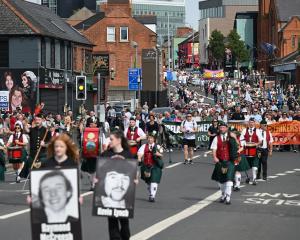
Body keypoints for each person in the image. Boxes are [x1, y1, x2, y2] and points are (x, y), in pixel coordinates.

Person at [101, 129, 137, 240]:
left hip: (124, 195)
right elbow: (100, 172)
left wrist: (135, 179)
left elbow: (133, 171)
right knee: (112, 224)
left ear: (119, 140)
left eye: (111, 139)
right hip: (110, 195)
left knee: (124, 224)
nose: (109, 141)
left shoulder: (128, 155)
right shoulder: (106, 155)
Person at [210, 122, 235, 204]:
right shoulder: (216, 138)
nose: (222, 129)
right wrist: (214, 157)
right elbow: (214, 149)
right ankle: (223, 194)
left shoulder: (231, 137)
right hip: (220, 161)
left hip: (230, 161)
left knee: (229, 180)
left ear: (226, 128)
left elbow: (237, 146)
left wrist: (234, 138)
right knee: (220, 181)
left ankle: (228, 197)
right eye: (220, 128)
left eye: (223, 127)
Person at [138, 133, 164, 202]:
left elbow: (161, 155)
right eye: (149, 138)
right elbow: (140, 154)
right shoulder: (144, 146)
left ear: (154, 139)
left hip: (156, 166)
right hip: (146, 166)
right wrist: (139, 158)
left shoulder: (158, 146)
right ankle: (150, 191)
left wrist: (158, 154)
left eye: (151, 138)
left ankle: (152, 196)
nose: (150, 139)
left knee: (154, 181)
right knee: (149, 182)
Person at [239, 118, 262, 185]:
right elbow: (241, 139)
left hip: (254, 150)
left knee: (254, 167)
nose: (251, 123)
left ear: (254, 123)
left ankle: (254, 179)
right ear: (248, 123)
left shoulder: (257, 131)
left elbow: (260, 141)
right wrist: (245, 144)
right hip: (246, 150)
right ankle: (248, 177)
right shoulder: (244, 130)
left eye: (252, 122)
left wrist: (256, 144)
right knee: (246, 166)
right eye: (250, 122)